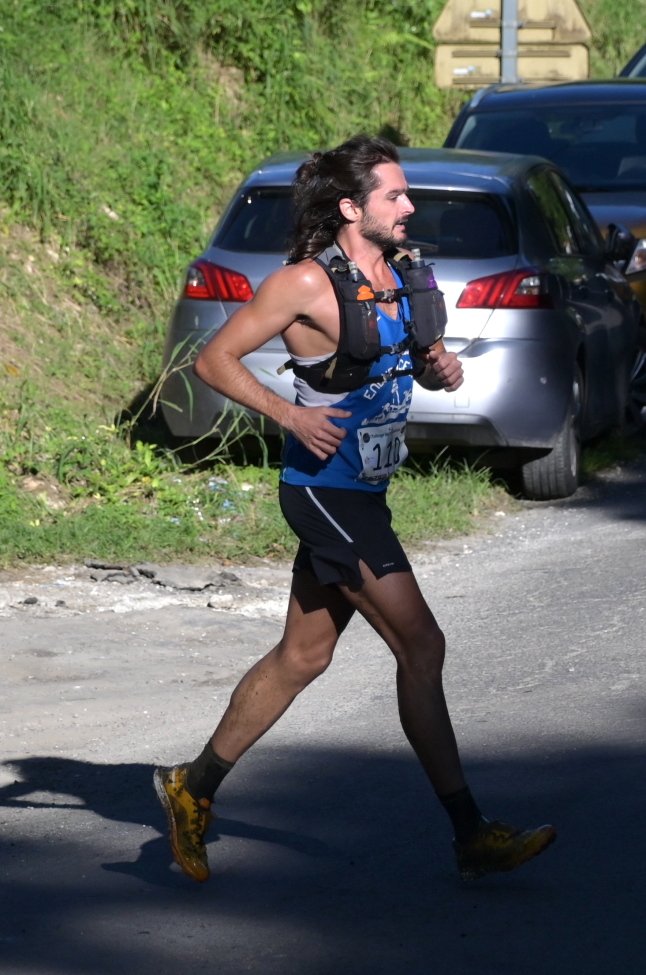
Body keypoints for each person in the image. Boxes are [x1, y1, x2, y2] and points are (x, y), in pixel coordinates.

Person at [153, 135, 556, 883]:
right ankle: (471, 833)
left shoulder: (401, 276)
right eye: (395, 195)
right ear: (350, 208)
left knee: (303, 655)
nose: (410, 207)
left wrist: (439, 368)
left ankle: (191, 786)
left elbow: (402, 369)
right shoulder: (304, 283)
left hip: (364, 490)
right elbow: (212, 359)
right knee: (422, 645)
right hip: (324, 492)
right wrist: (289, 413)